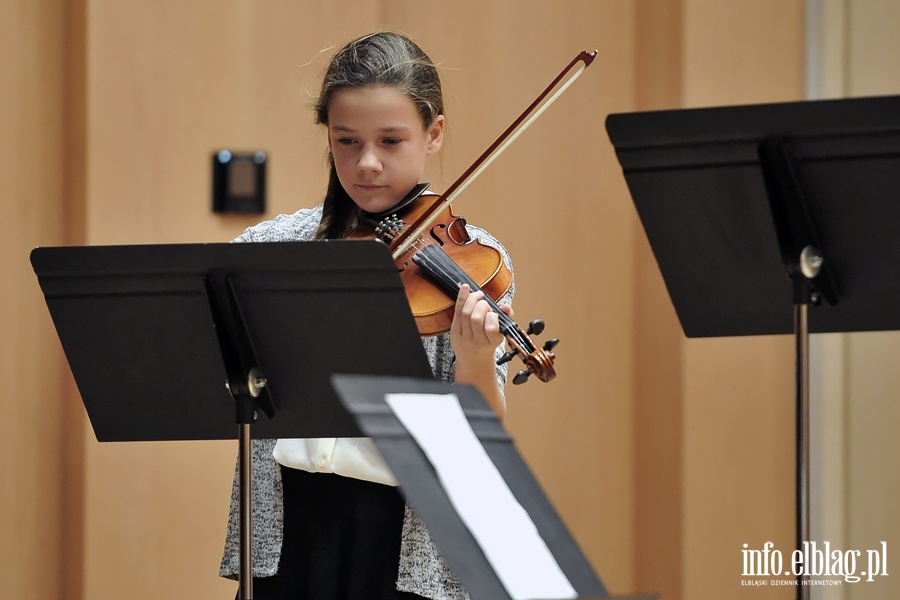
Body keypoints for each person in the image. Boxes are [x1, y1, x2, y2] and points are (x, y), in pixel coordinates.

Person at [218, 31, 515, 600]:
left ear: (434, 134)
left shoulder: (471, 258)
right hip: (290, 525)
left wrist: (478, 355)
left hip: (399, 532)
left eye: (391, 140)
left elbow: (480, 439)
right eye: (347, 140)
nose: (368, 162)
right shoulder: (278, 244)